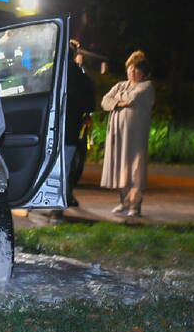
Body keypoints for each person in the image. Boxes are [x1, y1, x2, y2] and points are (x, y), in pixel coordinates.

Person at [100, 50, 155, 218]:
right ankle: (123, 201)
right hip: (118, 135)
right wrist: (118, 101)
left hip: (135, 137)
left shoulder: (147, 87)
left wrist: (117, 100)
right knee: (120, 166)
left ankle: (135, 205)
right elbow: (105, 101)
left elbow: (133, 98)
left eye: (136, 69)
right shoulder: (120, 85)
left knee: (135, 168)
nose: (132, 72)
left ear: (143, 72)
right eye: (130, 68)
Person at [48, 41, 96, 223]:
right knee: (64, 168)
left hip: (51, 131)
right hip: (70, 132)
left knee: (51, 168)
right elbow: (90, 103)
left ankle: (53, 207)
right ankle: (57, 208)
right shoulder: (81, 77)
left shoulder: (51, 72)